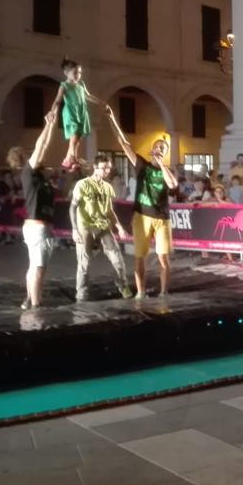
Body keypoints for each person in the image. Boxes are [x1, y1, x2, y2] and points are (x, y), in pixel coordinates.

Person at [104, 105, 179, 300]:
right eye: (157, 146)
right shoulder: (141, 165)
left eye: (163, 148)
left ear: (165, 153)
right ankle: (141, 292)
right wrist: (112, 119)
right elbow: (123, 143)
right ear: (152, 149)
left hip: (162, 218)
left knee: (163, 258)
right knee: (140, 258)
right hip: (142, 217)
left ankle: (164, 292)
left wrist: (161, 163)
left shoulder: (167, 171)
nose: (160, 149)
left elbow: (173, 184)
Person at [9, 112, 59, 309]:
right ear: (23, 158)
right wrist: (48, 125)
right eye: (27, 153)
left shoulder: (35, 174)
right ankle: (37, 306)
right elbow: (41, 146)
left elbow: (44, 147)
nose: (34, 154)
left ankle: (29, 299)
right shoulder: (28, 171)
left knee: (34, 266)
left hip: (36, 227)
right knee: (39, 269)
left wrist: (51, 126)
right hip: (38, 228)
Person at [70, 155, 133, 302]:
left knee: (117, 258)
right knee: (84, 262)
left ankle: (123, 285)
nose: (107, 171)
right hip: (85, 226)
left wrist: (120, 227)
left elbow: (109, 211)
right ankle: (81, 292)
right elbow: (72, 207)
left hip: (103, 227)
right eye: (104, 168)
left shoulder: (107, 187)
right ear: (95, 167)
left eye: (109, 168)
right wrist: (74, 229)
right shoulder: (83, 184)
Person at [48, 58, 105, 171]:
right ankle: (72, 157)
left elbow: (88, 96)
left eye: (79, 73)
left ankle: (68, 159)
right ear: (66, 73)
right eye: (75, 73)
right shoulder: (64, 86)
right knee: (74, 136)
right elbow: (57, 101)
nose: (78, 75)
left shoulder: (81, 85)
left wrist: (100, 102)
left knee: (77, 138)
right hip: (70, 113)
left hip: (81, 113)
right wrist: (52, 111)